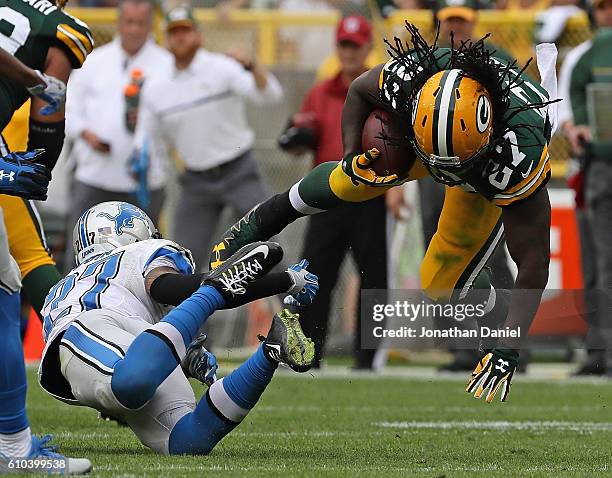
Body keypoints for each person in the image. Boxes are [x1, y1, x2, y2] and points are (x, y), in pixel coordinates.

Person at [209, 24, 558, 403]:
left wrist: (508, 342)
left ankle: (486, 298)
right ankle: (266, 217)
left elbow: (534, 261)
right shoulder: (415, 79)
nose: (443, 172)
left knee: (441, 283)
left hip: (481, 173)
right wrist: (347, 155)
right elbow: (360, 89)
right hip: (415, 140)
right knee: (351, 179)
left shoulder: (518, 149)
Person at [38, 201, 318, 455]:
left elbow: (136, 318)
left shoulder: (66, 286)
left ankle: (270, 351)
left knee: (187, 441)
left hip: (109, 339)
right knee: (133, 387)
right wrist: (287, 280)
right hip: (105, 330)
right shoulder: (139, 251)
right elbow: (169, 289)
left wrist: (182, 352)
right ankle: (222, 297)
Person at [0, 0, 94, 471]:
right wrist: (38, 82)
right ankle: (14, 446)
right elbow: (49, 104)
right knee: (3, 298)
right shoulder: (61, 27)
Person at [400, 0, 517, 372]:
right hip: (432, 169)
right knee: (443, 250)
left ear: (473, 22)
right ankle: (462, 346)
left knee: (491, 254)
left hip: (481, 172)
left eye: (462, 21)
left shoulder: (495, 57)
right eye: (450, 20)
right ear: (440, 21)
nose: (457, 28)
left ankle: (510, 342)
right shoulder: (427, 58)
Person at [135, 6, 283, 269]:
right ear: (166, 39)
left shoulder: (221, 68)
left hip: (239, 171)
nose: (179, 37)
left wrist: (252, 64)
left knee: (268, 246)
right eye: (173, 32)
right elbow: (146, 139)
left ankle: (294, 309)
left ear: (198, 35)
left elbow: (270, 96)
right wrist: (147, 175)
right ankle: (189, 311)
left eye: (185, 30)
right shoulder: (156, 85)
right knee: (182, 259)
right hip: (196, 181)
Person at [278, 15, 386, 369]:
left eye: (356, 45)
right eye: (344, 44)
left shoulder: (383, 90)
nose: (350, 51)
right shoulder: (319, 92)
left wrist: (397, 188)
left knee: (373, 276)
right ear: (337, 47)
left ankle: (367, 359)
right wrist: (295, 138)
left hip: (370, 191)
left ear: (368, 46)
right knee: (315, 275)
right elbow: (300, 143)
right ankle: (311, 352)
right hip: (327, 194)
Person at [64, 0, 172, 270]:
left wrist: (152, 121)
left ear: (150, 25)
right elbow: (67, 108)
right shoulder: (94, 61)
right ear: (119, 23)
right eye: (129, 22)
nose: (134, 30)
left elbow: (176, 118)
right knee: (79, 254)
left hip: (144, 181)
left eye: (141, 23)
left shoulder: (166, 64)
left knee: (142, 259)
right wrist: (86, 134)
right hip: (93, 176)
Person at [559, 0, 612, 376]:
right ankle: (601, 350)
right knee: (599, 263)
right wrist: (575, 129)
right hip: (599, 166)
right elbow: (566, 110)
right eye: (604, 7)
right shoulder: (583, 56)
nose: (609, 13)